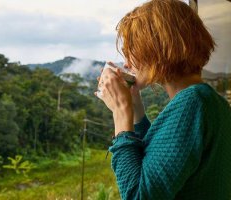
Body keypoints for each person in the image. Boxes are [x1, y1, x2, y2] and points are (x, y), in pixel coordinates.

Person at [95, 0, 231, 199]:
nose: (126, 63)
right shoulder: (208, 100)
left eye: (131, 52)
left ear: (155, 48)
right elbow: (160, 157)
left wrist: (121, 112)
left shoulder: (193, 103)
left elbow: (138, 195)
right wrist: (135, 108)